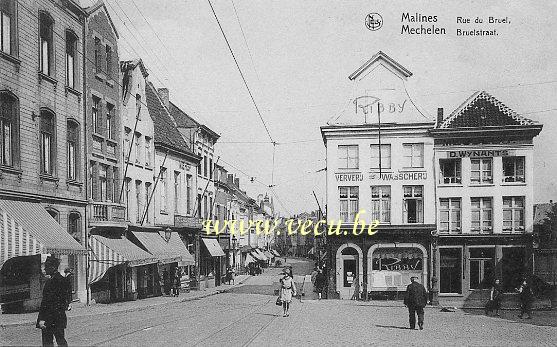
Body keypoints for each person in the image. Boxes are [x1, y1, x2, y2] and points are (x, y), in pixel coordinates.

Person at [36, 256, 71, 346]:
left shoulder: (50, 282)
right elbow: (65, 298)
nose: (44, 269)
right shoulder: (63, 280)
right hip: (59, 317)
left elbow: (47, 303)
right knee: (61, 340)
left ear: (52, 267)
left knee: (47, 342)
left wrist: (42, 319)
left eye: (46, 267)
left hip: (49, 318)